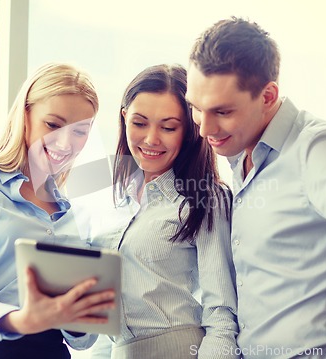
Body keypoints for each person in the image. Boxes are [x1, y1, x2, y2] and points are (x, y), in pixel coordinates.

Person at [186, 16, 326, 358]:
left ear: (268, 95)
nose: (204, 127)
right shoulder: (241, 153)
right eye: (196, 108)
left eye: (222, 111)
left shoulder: (317, 150)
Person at [0, 62, 116, 359]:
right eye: (53, 125)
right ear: (26, 115)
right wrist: (20, 320)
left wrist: (81, 313)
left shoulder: (76, 215)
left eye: (80, 132)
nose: (66, 143)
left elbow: (83, 340)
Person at [88, 64, 239, 358]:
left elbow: (221, 315)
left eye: (168, 127)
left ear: (190, 131)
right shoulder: (114, 198)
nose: (151, 139)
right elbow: (107, 317)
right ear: (124, 118)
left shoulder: (206, 198)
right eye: (140, 123)